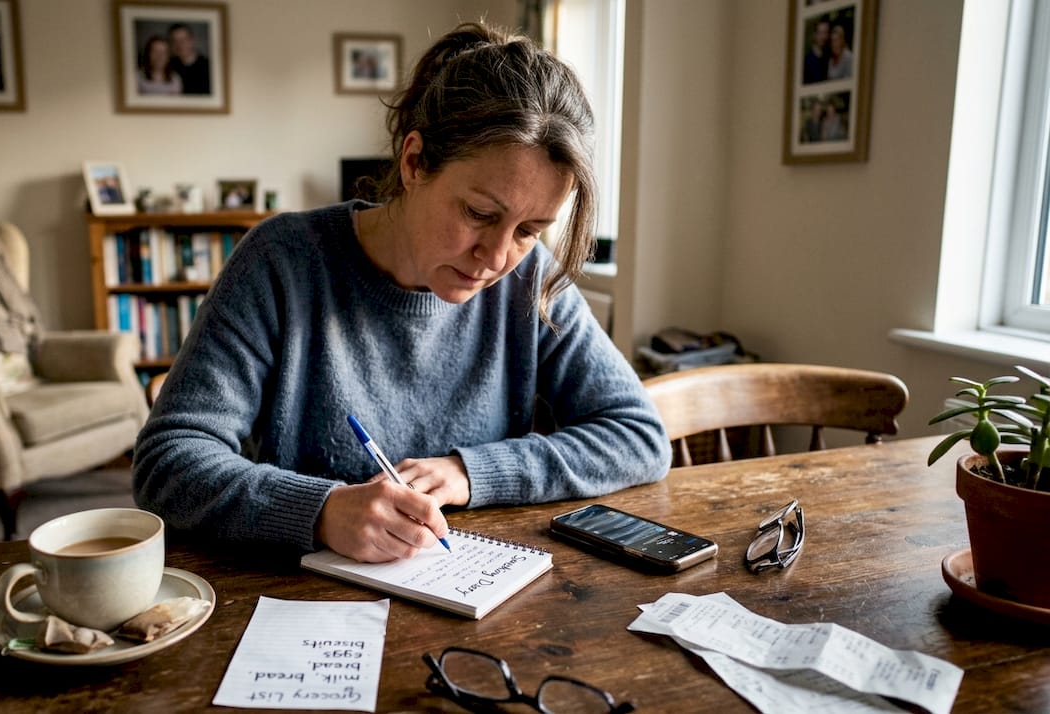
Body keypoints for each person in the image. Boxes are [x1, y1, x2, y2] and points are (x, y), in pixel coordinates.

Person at [133, 21, 671, 563]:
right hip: (300, 596)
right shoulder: (282, 262)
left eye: (529, 230)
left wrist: (472, 471)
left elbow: (638, 436)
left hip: (469, 587)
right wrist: (321, 510)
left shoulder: (529, 279)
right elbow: (168, 460)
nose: (496, 258)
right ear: (414, 162)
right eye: (479, 213)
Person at [167, 23, 211, 95]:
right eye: (174, 41)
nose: (179, 45)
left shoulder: (208, 66)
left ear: (192, 41)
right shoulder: (168, 66)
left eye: (183, 40)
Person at [802, 18, 829, 85]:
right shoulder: (807, 61)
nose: (823, 37)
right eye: (820, 33)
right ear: (814, 35)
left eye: (825, 33)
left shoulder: (828, 57)